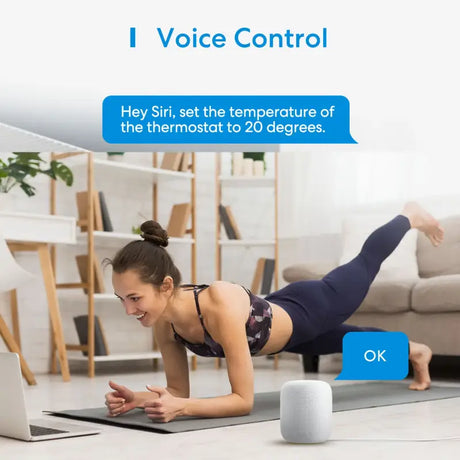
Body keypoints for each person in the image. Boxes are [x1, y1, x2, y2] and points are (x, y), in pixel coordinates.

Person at [104, 202, 444, 423]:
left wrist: (183, 409)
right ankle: (415, 350)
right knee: (346, 341)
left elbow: (242, 401)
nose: (129, 309)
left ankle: (409, 216)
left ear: (164, 286)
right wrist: (138, 399)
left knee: (365, 263)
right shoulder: (165, 324)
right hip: (286, 331)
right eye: (122, 299)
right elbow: (178, 391)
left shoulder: (216, 304)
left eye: (135, 298)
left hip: (312, 306)